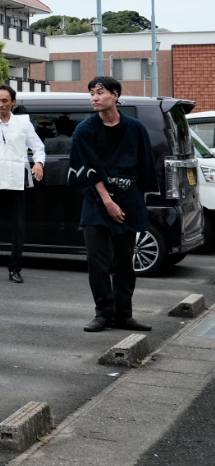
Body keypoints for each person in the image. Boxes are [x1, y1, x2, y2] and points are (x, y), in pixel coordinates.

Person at [72, 76, 156, 334]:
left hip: (127, 198)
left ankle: (124, 315)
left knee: (124, 261)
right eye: (91, 93)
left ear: (115, 95)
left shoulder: (135, 128)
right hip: (96, 201)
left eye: (100, 92)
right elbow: (86, 168)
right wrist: (107, 200)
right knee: (97, 262)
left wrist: (137, 201)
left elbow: (145, 166)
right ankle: (103, 315)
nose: (94, 98)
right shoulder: (85, 130)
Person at [0, 84, 45, 284]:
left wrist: (38, 163)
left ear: (13, 102)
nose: (1, 105)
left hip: (16, 181)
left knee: (18, 227)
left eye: (5, 101)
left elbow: (38, 147)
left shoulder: (23, 123)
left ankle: (15, 269)